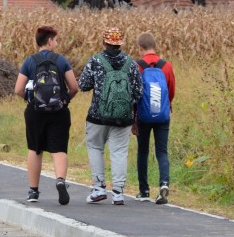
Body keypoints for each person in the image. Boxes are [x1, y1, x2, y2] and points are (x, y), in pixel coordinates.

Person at [14, 25, 79, 205]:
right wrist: (65, 100)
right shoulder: (61, 61)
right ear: (49, 41)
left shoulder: (29, 61)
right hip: (59, 111)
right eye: (55, 40)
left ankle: (33, 191)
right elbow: (74, 87)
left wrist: (30, 99)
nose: (56, 43)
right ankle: (60, 180)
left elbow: (18, 89)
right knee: (59, 148)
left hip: (35, 111)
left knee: (35, 148)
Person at [78, 27, 142, 206]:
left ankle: (98, 188)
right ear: (121, 44)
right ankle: (119, 193)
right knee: (119, 152)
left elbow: (83, 85)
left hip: (97, 116)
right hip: (124, 117)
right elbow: (138, 92)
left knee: (95, 148)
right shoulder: (131, 64)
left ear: (103, 42)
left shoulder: (95, 61)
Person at [134, 32, 176, 204]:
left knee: (142, 151)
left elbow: (135, 93)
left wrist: (134, 117)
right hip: (162, 115)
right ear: (155, 46)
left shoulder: (137, 66)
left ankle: (144, 191)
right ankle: (164, 183)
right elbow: (171, 91)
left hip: (143, 116)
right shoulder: (166, 66)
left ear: (140, 48)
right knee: (162, 152)